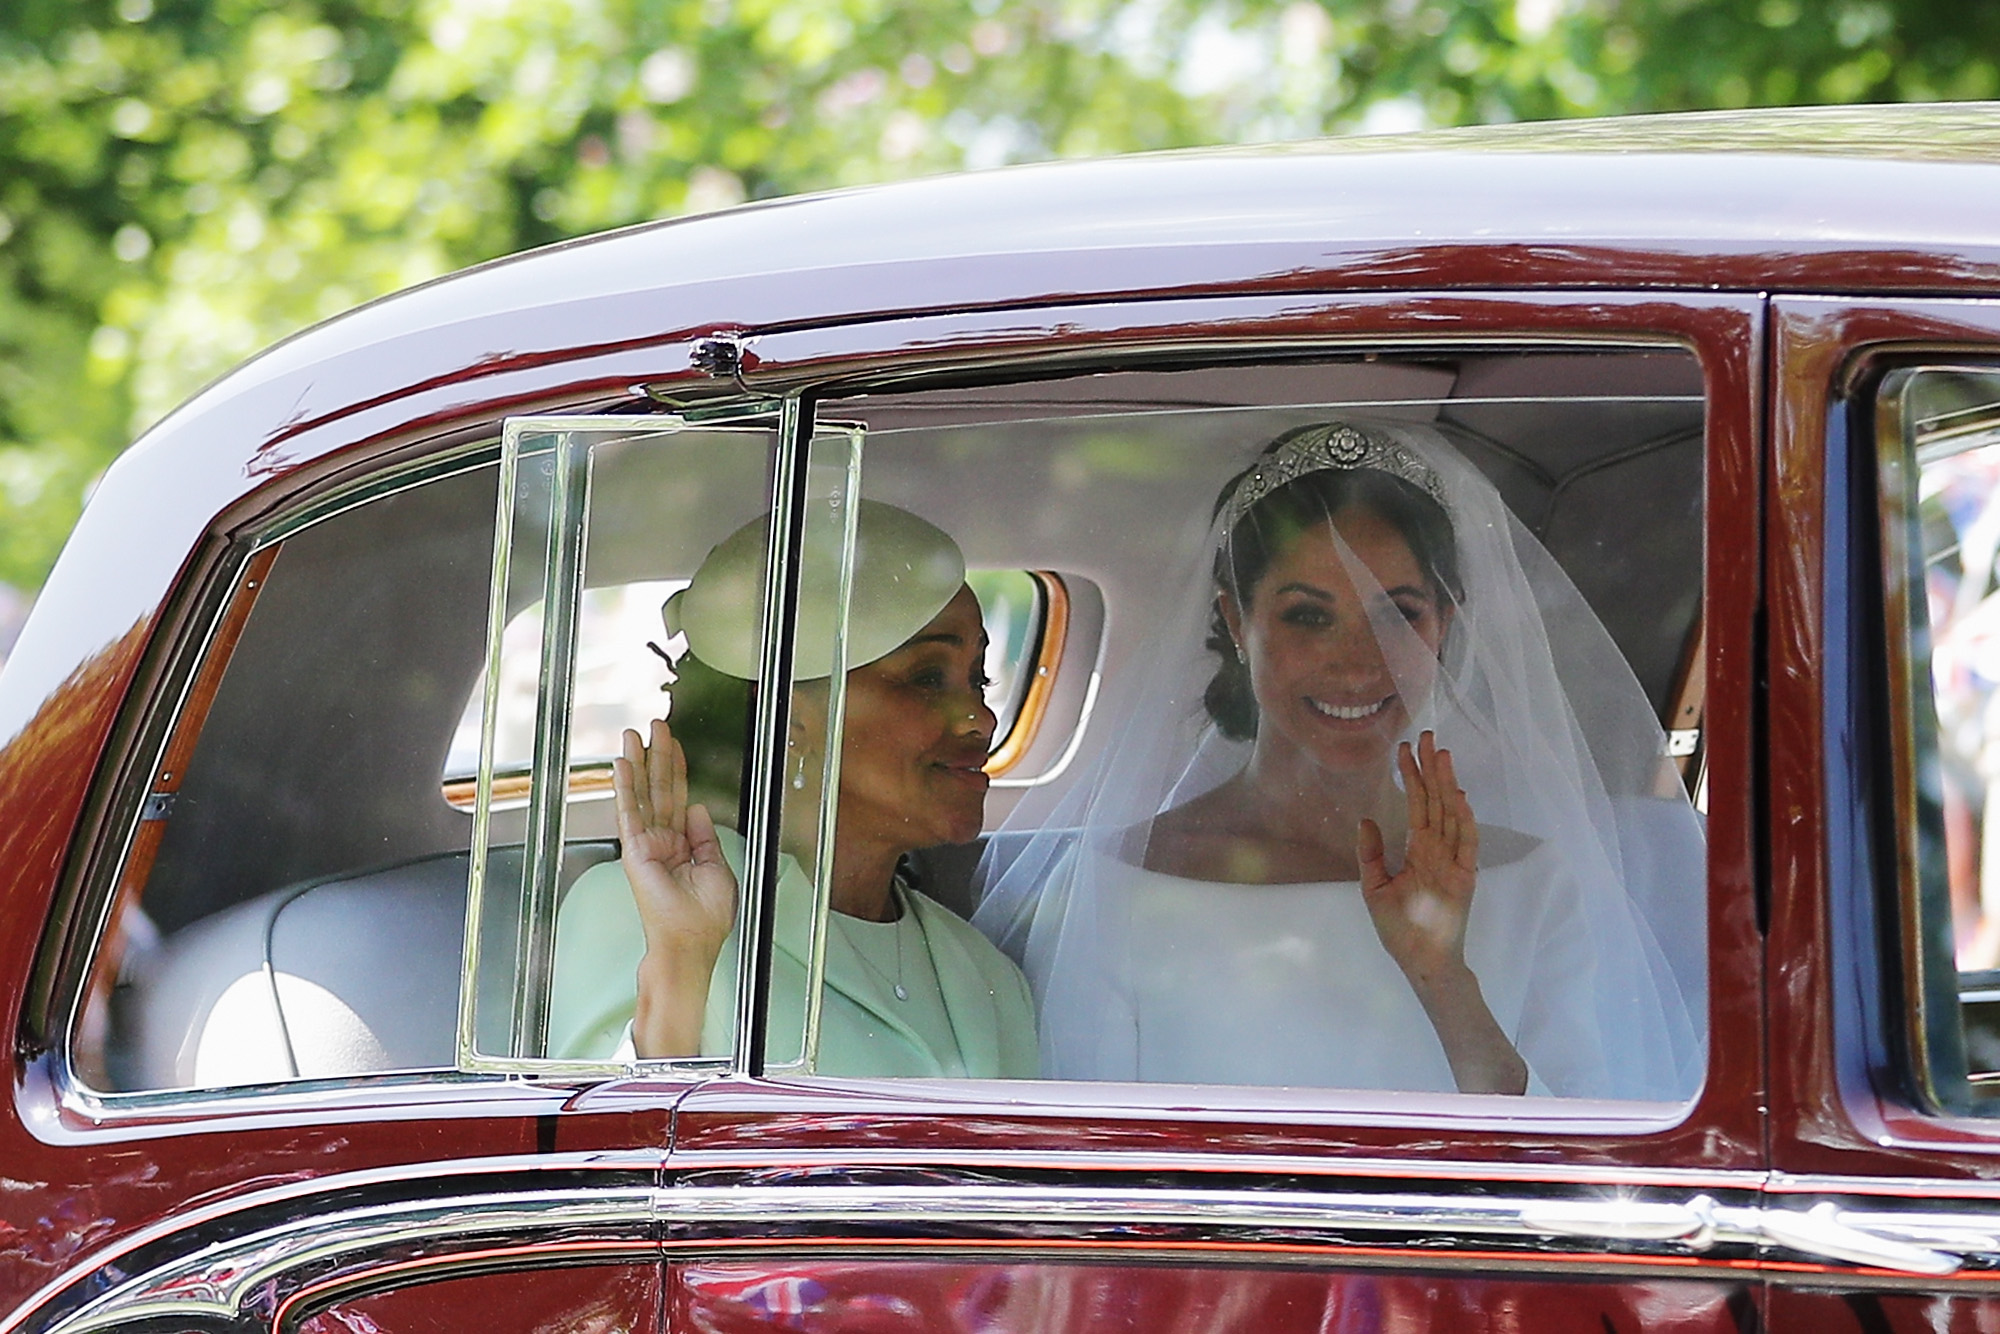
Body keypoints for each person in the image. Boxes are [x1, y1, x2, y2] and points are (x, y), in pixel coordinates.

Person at [974, 420, 1704, 1101]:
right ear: (1237, 622)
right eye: (1308, 616)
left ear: (1443, 626)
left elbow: (1581, 1178)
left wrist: (1444, 980)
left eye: (1400, 614)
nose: (1360, 664)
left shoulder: (1537, 885)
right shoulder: (1114, 884)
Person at [549, 500, 1038, 1078]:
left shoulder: (990, 976)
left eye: (978, 679)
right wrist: (679, 965)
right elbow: (599, 1155)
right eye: (928, 678)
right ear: (794, 724)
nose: (980, 718)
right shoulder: (643, 908)